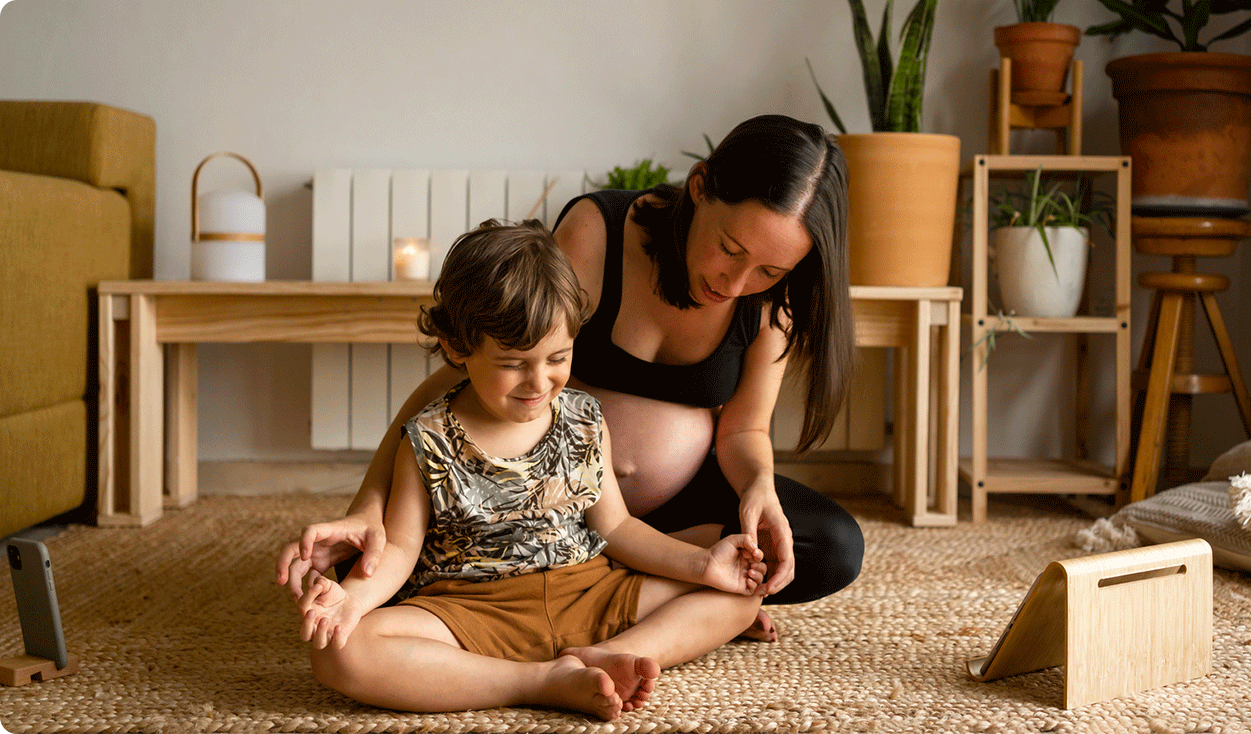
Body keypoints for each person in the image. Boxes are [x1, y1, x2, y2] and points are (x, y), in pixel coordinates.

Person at [278, 114, 865, 640]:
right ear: (700, 189)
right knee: (366, 567)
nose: (736, 285)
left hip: (665, 518)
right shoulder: (599, 232)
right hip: (535, 504)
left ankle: (648, 578)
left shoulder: (776, 304)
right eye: (729, 249)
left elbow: (743, 432)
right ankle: (652, 592)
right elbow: (466, 379)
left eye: (769, 269)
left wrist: (759, 485)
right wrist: (367, 505)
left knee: (827, 546)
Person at [291, 220, 768, 719]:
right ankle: (538, 681)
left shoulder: (585, 420)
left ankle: (613, 653)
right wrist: (352, 599)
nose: (538, 382)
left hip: (587, 588)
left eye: (558, 357)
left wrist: (703, 566)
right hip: (472, 607)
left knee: (741, 598)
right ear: (458, 348)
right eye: (514, 364)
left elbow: (618, 527)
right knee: (339, 651)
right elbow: (402, 550)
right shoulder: (428, 438)